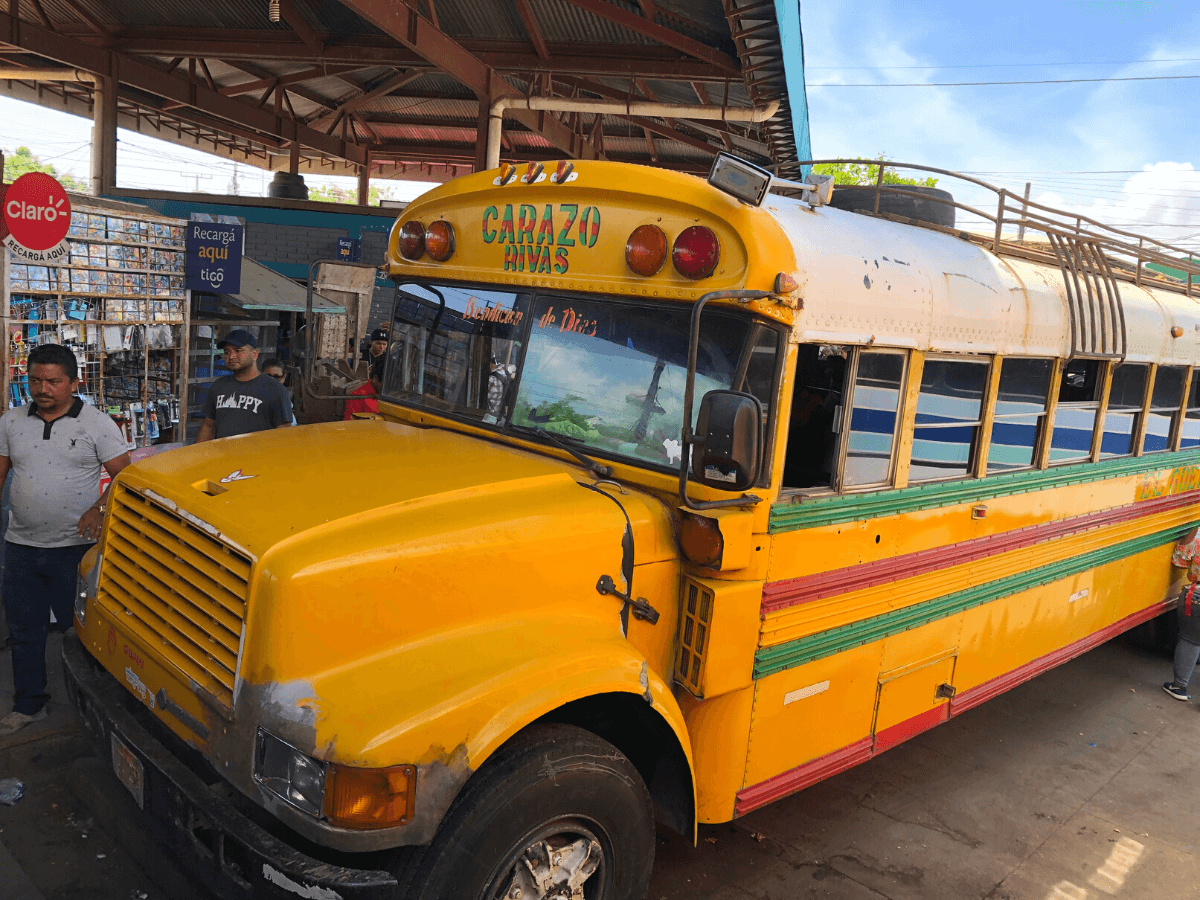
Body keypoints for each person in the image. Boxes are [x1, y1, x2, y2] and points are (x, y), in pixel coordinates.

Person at [0, 344, 130, 736]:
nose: (43, 389)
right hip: (20, 547)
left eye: (53, 381)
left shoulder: (97, 424)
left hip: (74, 550)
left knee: (82, 634)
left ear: (75, 382)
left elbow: (125, 478)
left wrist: (99, 508)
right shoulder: (10, 421)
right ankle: (29, 705)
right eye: (35, 380)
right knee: (24, 632)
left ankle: (98, 712)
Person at [195, 329, 293, 442]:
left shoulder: (274, 389)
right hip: (223, 452)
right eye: (227, 352)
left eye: (238, 351)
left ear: (254, 354)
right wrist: (196, 451)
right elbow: (208, 425)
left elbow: (283, 431)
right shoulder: (219, 386)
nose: (231, 356)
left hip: (256, 453)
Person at [1164, 526, 1200, 700]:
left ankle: (1179, 687)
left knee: (1190, 641)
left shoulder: (1198, 534)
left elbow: (1179, 560)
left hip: (1197, 596)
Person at [262, 357, 298, 426]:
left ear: (284, 377)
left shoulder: (284, 400)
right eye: (268, 376)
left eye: (277, 377)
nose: (272, 381)